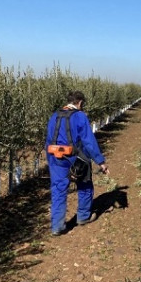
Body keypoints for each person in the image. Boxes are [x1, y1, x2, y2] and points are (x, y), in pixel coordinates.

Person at [45, 90, 109, 236]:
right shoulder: (80, 117)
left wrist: (50, 161)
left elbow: (48, 140)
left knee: (58, 190)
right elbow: (88, 141)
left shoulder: (54, 116)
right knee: (85, 185)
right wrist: (100, 161)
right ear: (80, 102)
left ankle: (57, 227)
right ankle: (83, 216)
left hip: (55, 157)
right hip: (76, 158)